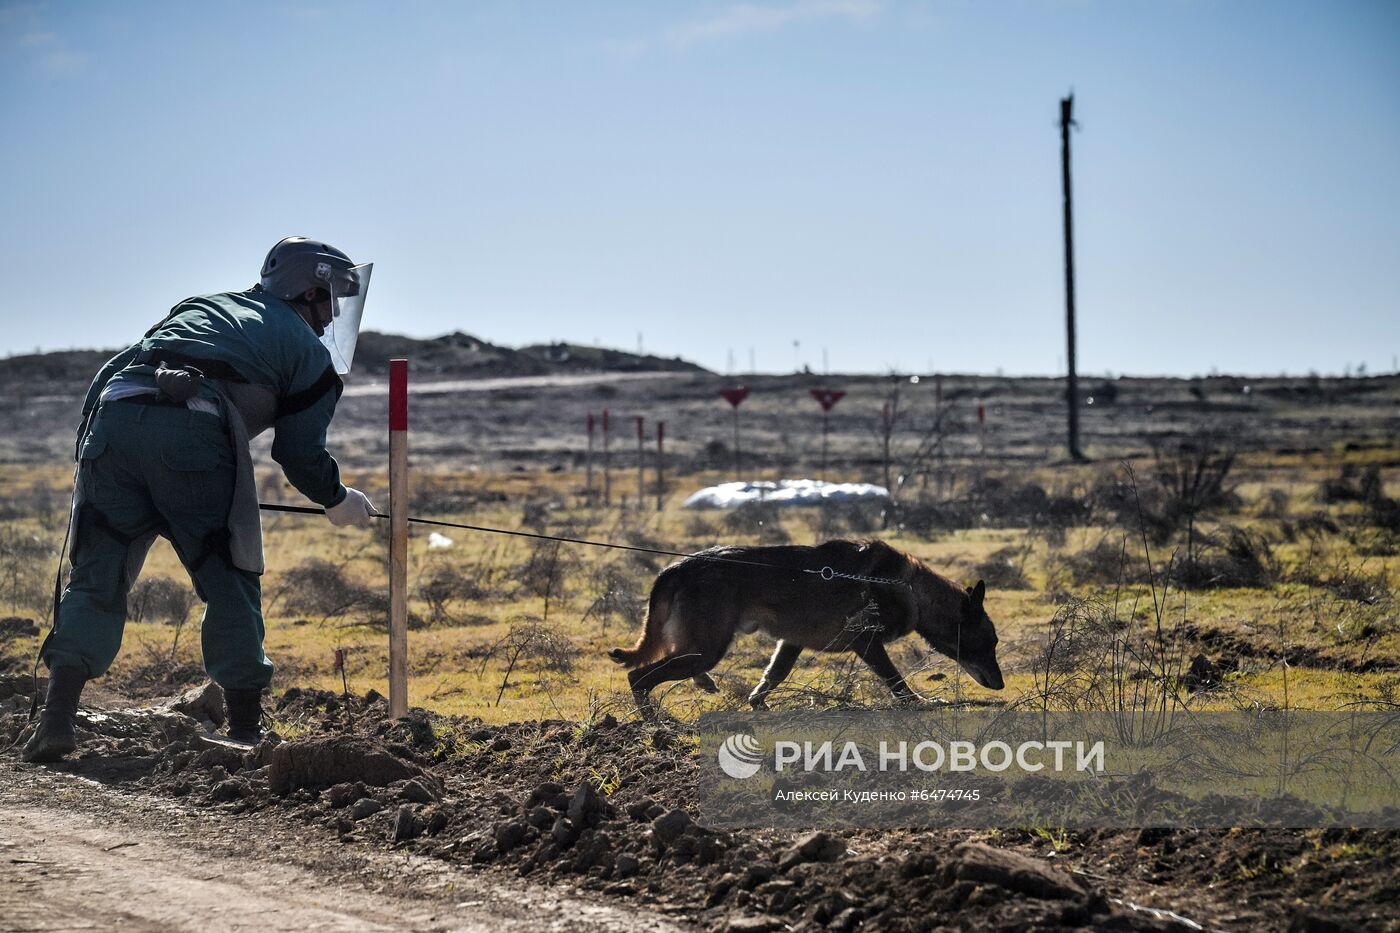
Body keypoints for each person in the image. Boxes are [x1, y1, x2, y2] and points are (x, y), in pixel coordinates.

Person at [23, 237, 378, 763]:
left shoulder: (202, 306)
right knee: (227, 573)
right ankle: (244, 735)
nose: (331, 320)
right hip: (194, 434)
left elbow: (110, 374)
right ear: (310, 291)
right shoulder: (309, 351)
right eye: (331, 302)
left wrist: (99, 459)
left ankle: (56, 724)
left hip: (109, 427)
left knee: (96, 575)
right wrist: (336, 498)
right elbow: (300, 453)